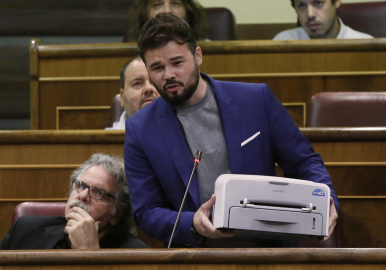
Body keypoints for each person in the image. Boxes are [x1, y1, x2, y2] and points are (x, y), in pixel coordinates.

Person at [124, 13, 339, 248]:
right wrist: (192, 223)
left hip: (269, 250)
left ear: (197, 56)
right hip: (198, 255)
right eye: (157, 67)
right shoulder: (140, 128)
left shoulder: (255, 101)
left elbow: (304, 162)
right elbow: (146, 211)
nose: (169, 75)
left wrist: (327, 200)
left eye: (177, 62)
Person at [0, 153, 149, 249]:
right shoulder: (25, 229)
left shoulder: (136, 255)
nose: (82, 195)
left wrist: (89, 253)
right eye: (80, 185)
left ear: (117, 213)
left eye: (98, 193)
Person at [274, 0, 373, 40]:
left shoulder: (364, 45)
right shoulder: (282, 42)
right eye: (302, 5)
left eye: (318, 3)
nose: (310, 14)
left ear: (337, 2)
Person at [106, 56, 160, 130]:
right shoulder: (106, 140)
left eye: (154, 82)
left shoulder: (180, 133)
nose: (148, 88)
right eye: (137, 83)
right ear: (122, 97)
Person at [125, 0, 209, 42]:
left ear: (188, 11)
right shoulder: (131, 55)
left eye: (175, 3)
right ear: (145, 14)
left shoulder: (211, 52)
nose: (167, 10)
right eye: (158, 5)